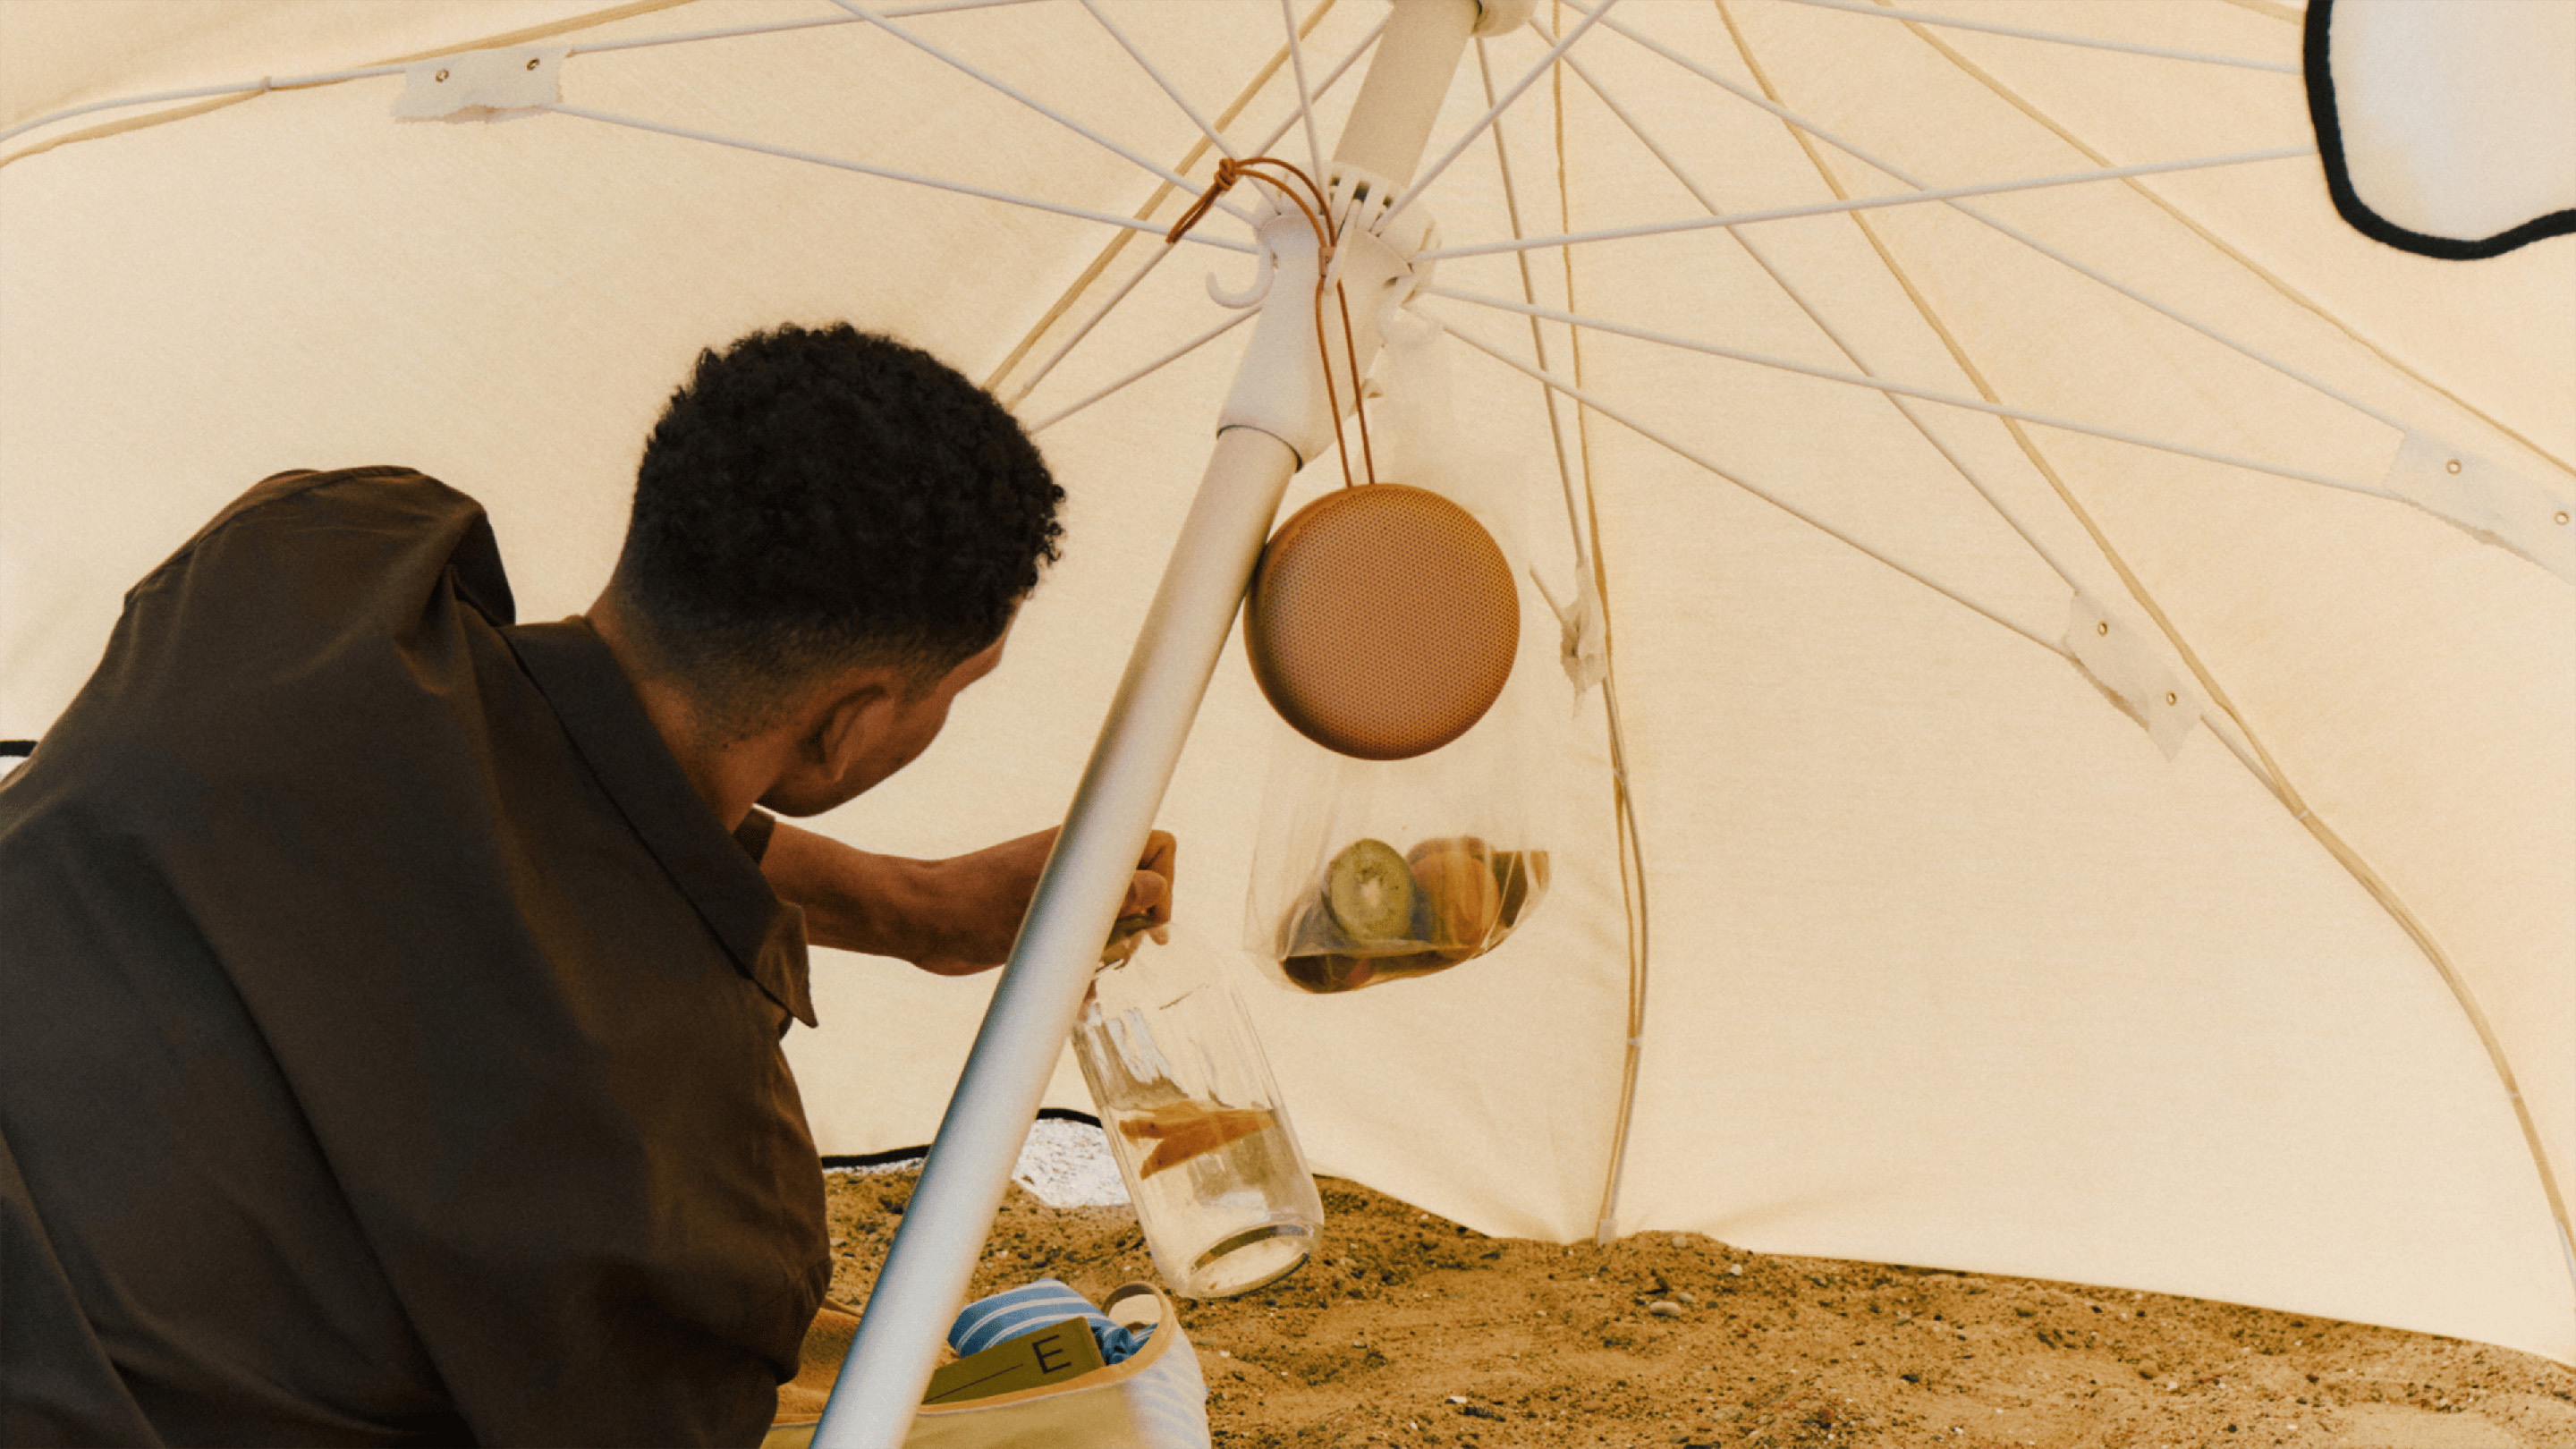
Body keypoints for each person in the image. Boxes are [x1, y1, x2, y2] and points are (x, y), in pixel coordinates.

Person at [0, 323, 1174, 1446]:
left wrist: (908, 910)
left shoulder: (314, 565)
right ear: (847, 728)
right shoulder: (705, 1189)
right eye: (955, 689)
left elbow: (504, 782)